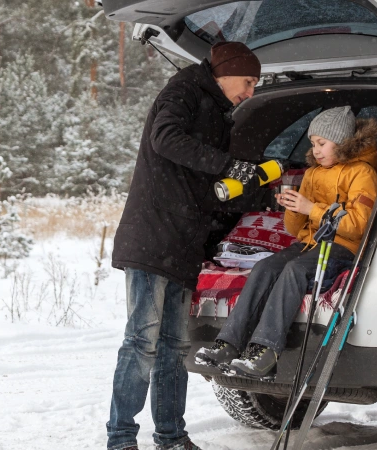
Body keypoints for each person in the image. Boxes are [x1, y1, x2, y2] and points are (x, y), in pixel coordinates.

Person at [106, 42, 266, 450]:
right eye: (247, 81)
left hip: (184, 242)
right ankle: (121, 439)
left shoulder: (217, 111)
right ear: (225, 71)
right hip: (152, 236)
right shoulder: (184, 91)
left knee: (175, 349)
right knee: (142, 342)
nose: (250, 91)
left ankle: (172, 437)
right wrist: (227, 164)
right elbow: (165, 138)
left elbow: (201, 183)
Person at [195, 106, 377, 379]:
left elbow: (358, 227)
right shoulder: (313, 173)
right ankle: (229, 344)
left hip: (343, 248)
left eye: (322, 143)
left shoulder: (362, 173)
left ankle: (265, 352)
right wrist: (294, 209)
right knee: (264, 269)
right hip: (309, 245)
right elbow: (295, 230)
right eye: (313, 144)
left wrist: (312, 209)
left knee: (295, 271)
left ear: (342, 142)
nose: (316, 150)